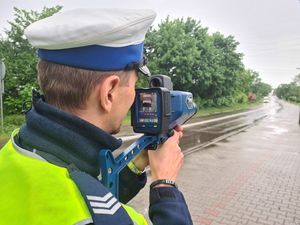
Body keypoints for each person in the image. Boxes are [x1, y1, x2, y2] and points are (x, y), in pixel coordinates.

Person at [0, 8, 193, 225]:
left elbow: (89, 191)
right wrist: (165, 186)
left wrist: (135, 164)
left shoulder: (15, 148)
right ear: (109, 92)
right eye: (134, 84)